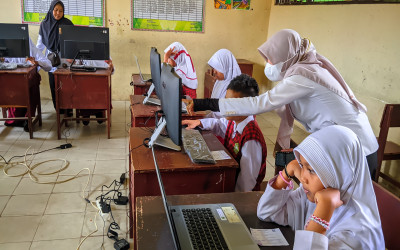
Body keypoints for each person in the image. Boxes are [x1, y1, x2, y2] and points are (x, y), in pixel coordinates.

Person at [185, 29, 378, 178]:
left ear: (286, 56)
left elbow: (261, 103)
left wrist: (202, 103)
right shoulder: (302, 69)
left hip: (357, 150)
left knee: (341, 210)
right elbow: (278, 104)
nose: (268, 63)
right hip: (340, 144)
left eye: (270, 59)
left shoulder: (304, 76)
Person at [257, 125, 384, 249]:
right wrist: (286, 173)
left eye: (311, 170)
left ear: (341, 174)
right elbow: (267, 212)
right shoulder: (311, 194)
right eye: (302, 165)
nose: (302, 177)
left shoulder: (357, 236)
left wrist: (324, 209)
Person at [182, 74, 267, 192]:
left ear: (247, 106)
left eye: (231, 103)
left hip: (238, 194)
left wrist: (231, 200)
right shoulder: (235, 119)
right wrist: (199, 122)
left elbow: (246, 183)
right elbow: (219, 124)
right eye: (225, 100)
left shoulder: (251, 139)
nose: (225, 106)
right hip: (228, 179)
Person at [2, 38, 52, 131]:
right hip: (12, 80)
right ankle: (16, 118)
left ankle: (28, 117)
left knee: (30, 83)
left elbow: (48, 65)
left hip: (27, 80)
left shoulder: (31, 50)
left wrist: (36, 62)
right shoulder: (6, 50)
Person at [36, 0, 73, 114]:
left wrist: (71, 56)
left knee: (67, 84)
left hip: (65, 58)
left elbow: (73, 42)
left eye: (61, 11)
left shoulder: (68, 24)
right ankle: (58, 109)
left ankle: (69, 109)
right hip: (51, 58)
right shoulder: (44, 24)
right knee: (54, 84)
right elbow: (40, 45)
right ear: (51, 10)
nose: (58, 13)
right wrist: (36, 60)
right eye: (56, 10)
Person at [206, 48, 241, 118]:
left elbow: (227, 118)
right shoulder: (219, 81)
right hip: (215, 121)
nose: (214, 72)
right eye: (214, 68)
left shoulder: (236, 87)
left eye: (217, 68)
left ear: (226, 67)